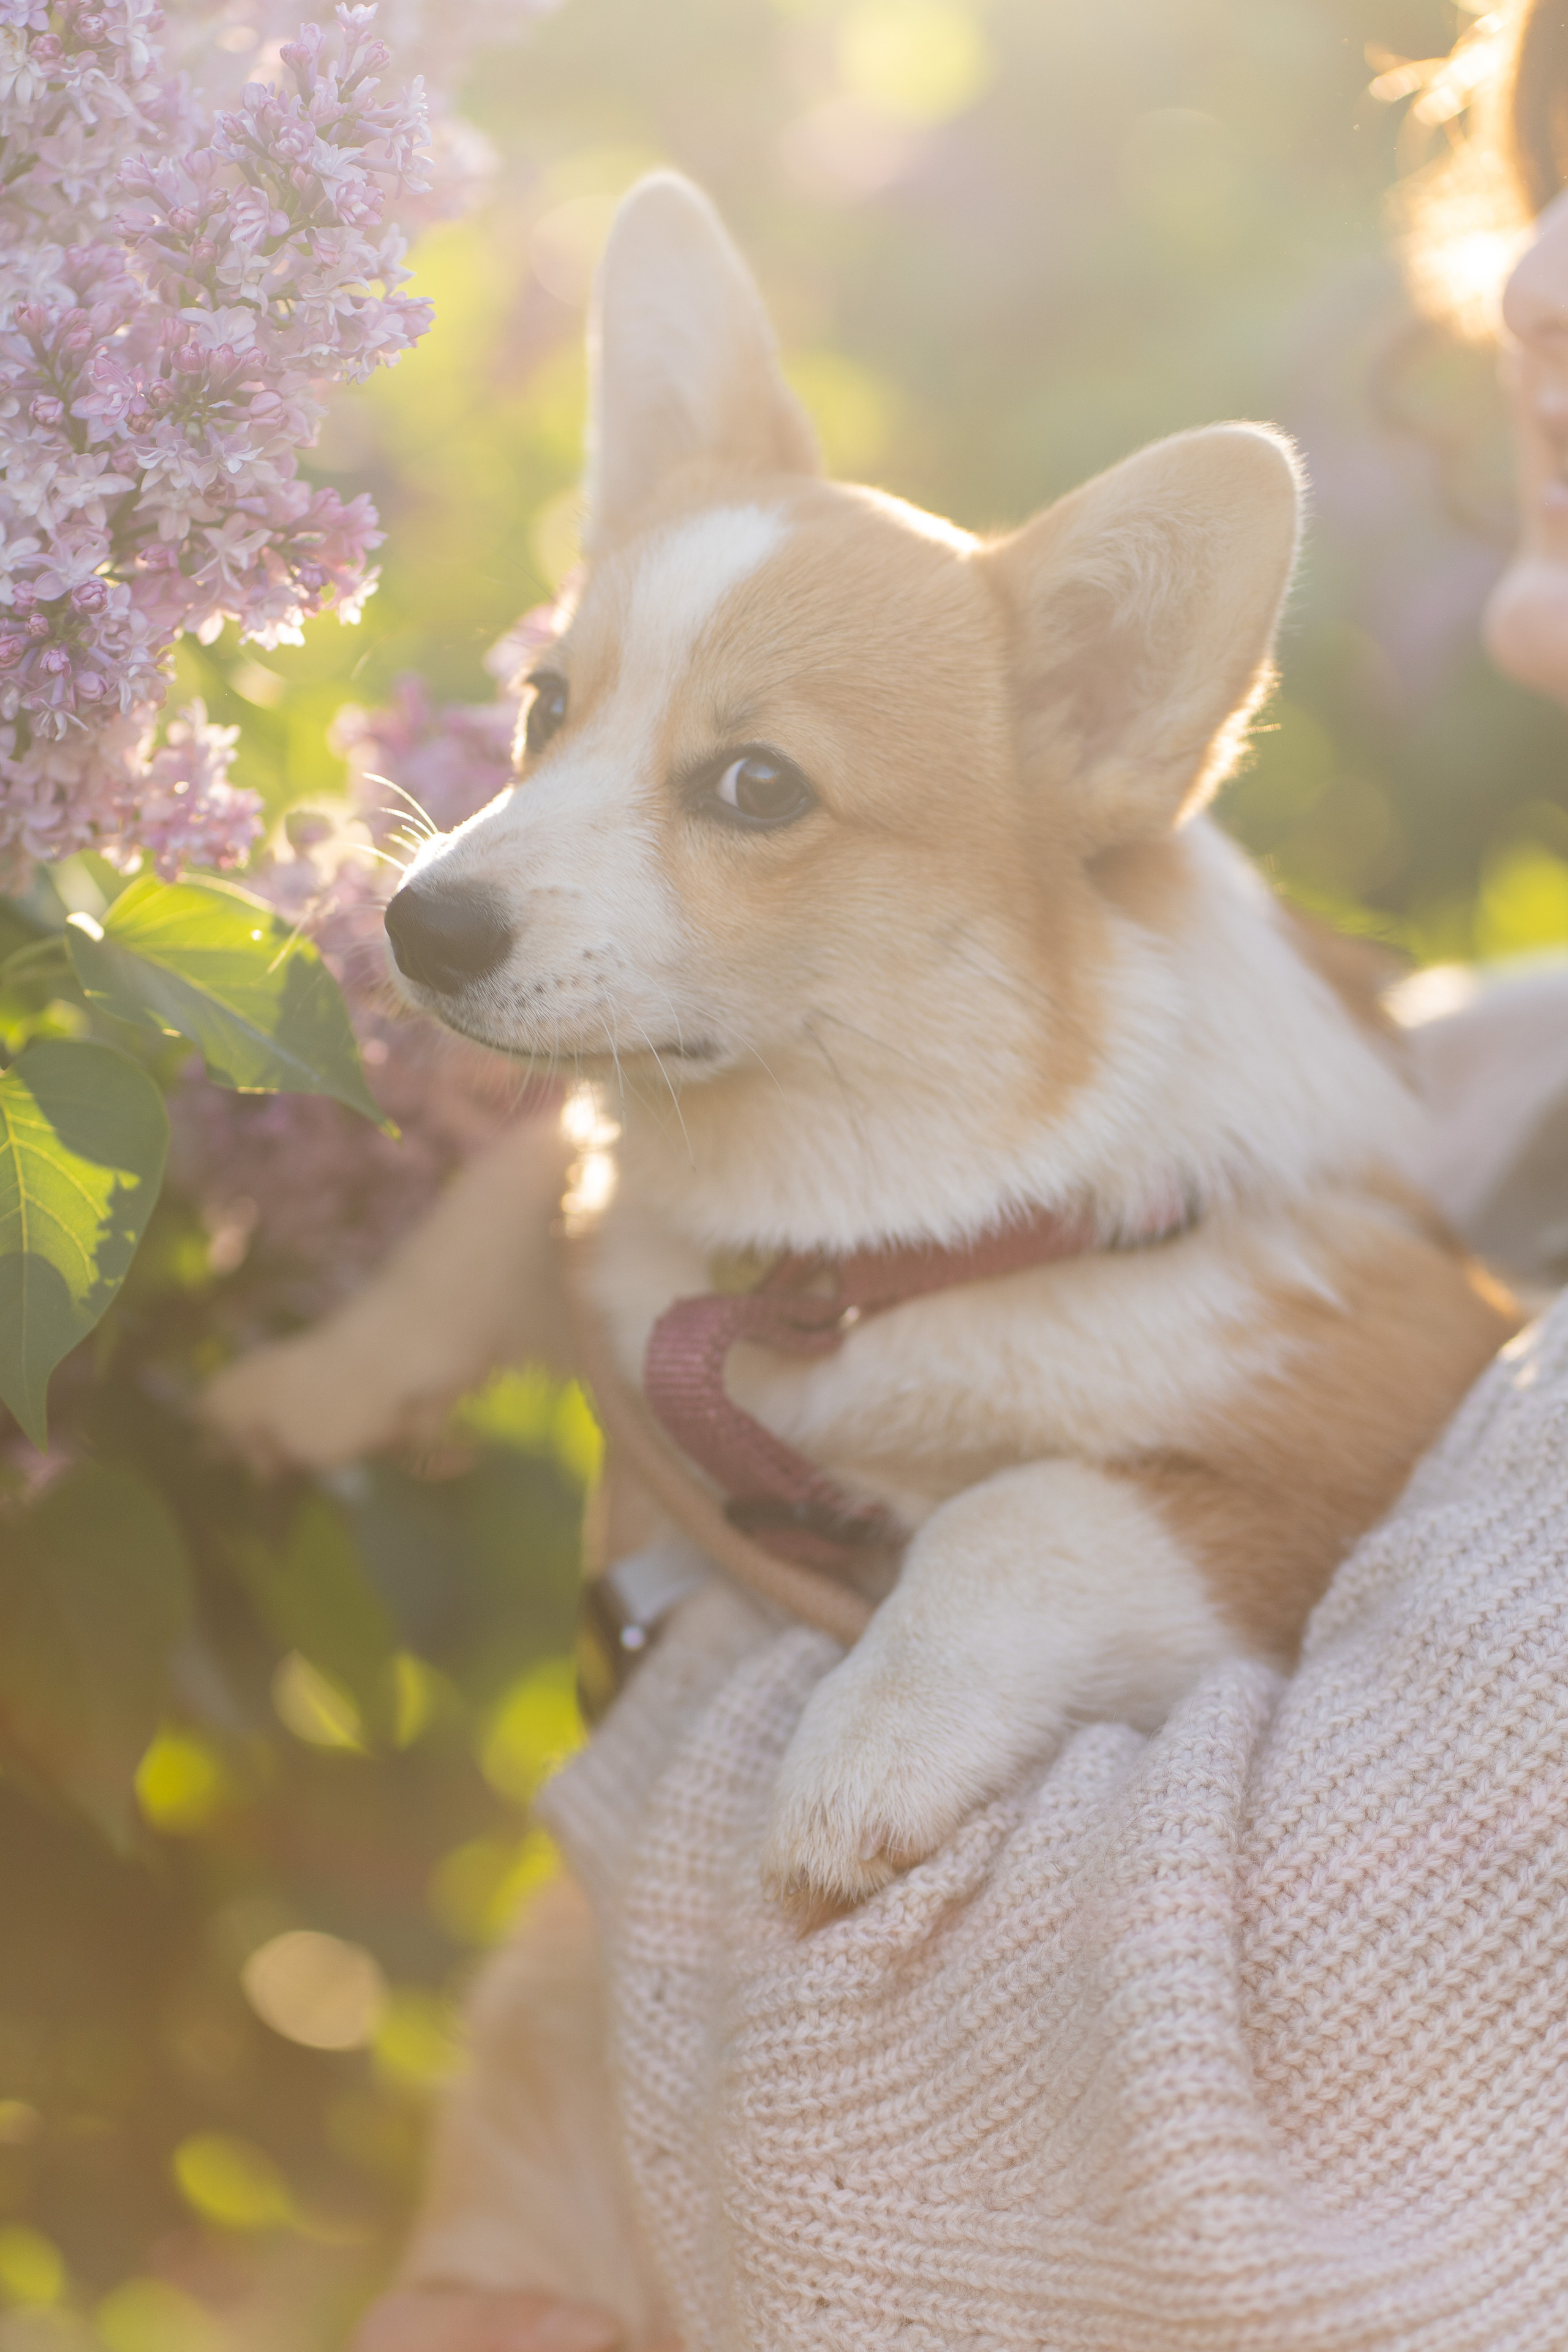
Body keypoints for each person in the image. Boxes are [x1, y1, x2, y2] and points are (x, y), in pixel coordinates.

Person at [206, 4, 1568, 2343]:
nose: (1532, 271)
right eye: (557, 712)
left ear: (1111, 713)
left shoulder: (1305, 1254)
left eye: (750, 790)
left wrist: (689, 1614)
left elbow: (1231, 2194)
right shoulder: (1479, 1079)